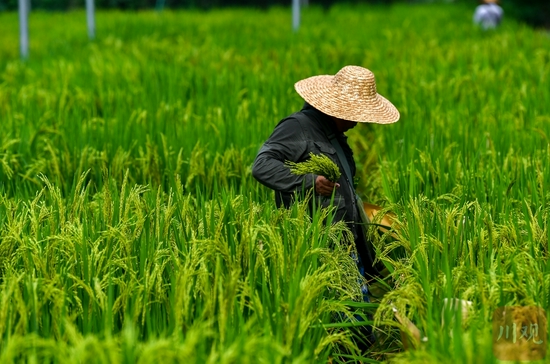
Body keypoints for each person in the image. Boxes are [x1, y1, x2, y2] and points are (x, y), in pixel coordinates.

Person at [252, 65, 400, 348]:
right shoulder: (297, 128)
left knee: (357, 327)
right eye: (355, 115)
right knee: (348, 330)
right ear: (336, 109)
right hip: (318, 248)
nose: (358, 122)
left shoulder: (335, 136)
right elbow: (262, 166)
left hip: (345, 243)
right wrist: (309, 181)